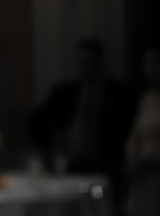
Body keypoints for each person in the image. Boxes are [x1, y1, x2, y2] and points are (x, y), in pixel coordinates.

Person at [28, 37, 135, 176]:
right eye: (79, 62)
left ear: (99, 62)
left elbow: (129, 131)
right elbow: (34, 122)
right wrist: (50, 148)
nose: (83, 67)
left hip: (106, 167)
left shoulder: (120, 94)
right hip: (71, 166)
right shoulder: (64, 93)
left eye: (87, 62)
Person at [126, 46, 160, 216]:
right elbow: (135, 137)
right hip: (143, 181)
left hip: (156, 174)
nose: (150, 68)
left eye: (154, 62)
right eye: (146, 63)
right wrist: (133, 162)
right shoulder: (148, 98)